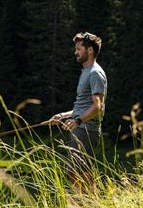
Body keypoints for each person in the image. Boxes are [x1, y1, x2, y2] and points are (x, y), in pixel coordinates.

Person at [42, 31, 107, 193]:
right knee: (75, 172)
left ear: (90, 50)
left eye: (79, 49)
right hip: (80, 128)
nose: (75, 52)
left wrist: (78, 121)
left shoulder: (95, 73)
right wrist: (63, 116)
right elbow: (84, 106)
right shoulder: (86, 71)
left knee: (80, 173)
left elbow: (98, 106)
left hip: (86, 129)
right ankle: (87, 207)